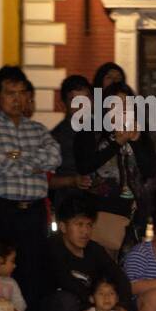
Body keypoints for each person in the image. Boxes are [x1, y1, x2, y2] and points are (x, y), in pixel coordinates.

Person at [0, 65, 60, 311]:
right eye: (10, 93)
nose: (17, 99)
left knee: (32, 276)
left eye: (22, 93)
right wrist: (34, 161)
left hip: (32, 213)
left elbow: (54, 158)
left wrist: (16, 155)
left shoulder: (39, 130)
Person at [38, 194, 134, 311]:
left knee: (123, 303)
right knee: (66, 299)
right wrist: (97, 305)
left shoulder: (94, 249)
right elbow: (65, 281)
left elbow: (119, 277)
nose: (85, 231)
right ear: (63, 226)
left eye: (89, 225)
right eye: (79, 224)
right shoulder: (52, 248)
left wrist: (122, 307)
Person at [74, 81, 156, 249]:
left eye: (127, 105)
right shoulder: (91, 132)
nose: (122, 110)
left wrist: (136, 142)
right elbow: (85, 166)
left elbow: (149, 171)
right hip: (99, 214)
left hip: (133, 216)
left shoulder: (139, 134)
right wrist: (117, 142)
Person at [47, 74, 93, 209]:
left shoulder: (103, 132)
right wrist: (72, 181)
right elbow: (45, 180)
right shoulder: (54, 138)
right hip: (68, 207)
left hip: (101, 207)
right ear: (63, 104)